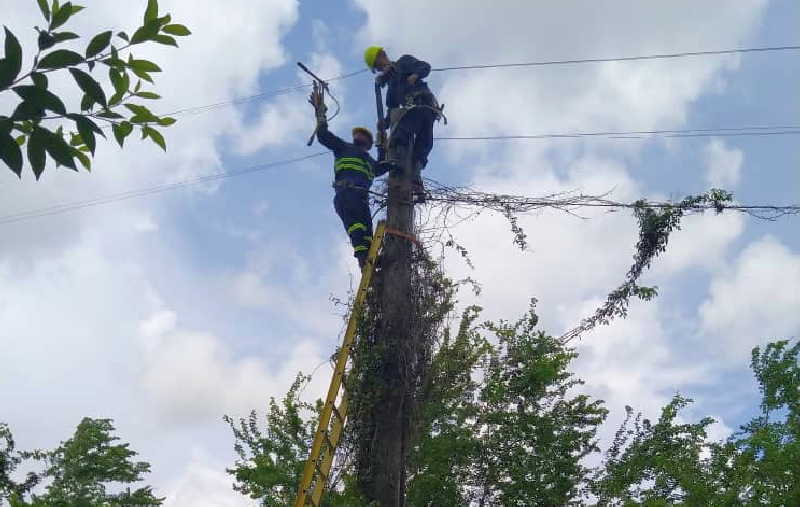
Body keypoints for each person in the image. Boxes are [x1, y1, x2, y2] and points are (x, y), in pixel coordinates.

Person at [309, 82, 388, 269]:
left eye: (363, 135)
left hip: (361, 198)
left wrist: (383, 147)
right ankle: (363, 259)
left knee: (367, 231)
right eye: (357, 134)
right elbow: (323, 135)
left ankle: (370, 262)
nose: (358, 136)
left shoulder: (370, 162)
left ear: (368, 143)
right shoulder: (343, 147)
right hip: (346, 193)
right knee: (357, 228)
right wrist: (320, 111)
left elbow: (383, 167)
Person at [364, 46, 439, 202]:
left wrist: (415, 75)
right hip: (418, 111)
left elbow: (425, 66)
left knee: (401, 134)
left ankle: (398, 166)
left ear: (381, 56)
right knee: (422, 145)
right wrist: (384, 123)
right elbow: (391, 109)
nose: (379, 70)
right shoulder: (391, 88)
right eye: (377, 69)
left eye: (378, 66)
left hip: (423, 106)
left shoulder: (403, 62)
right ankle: (415, 178)